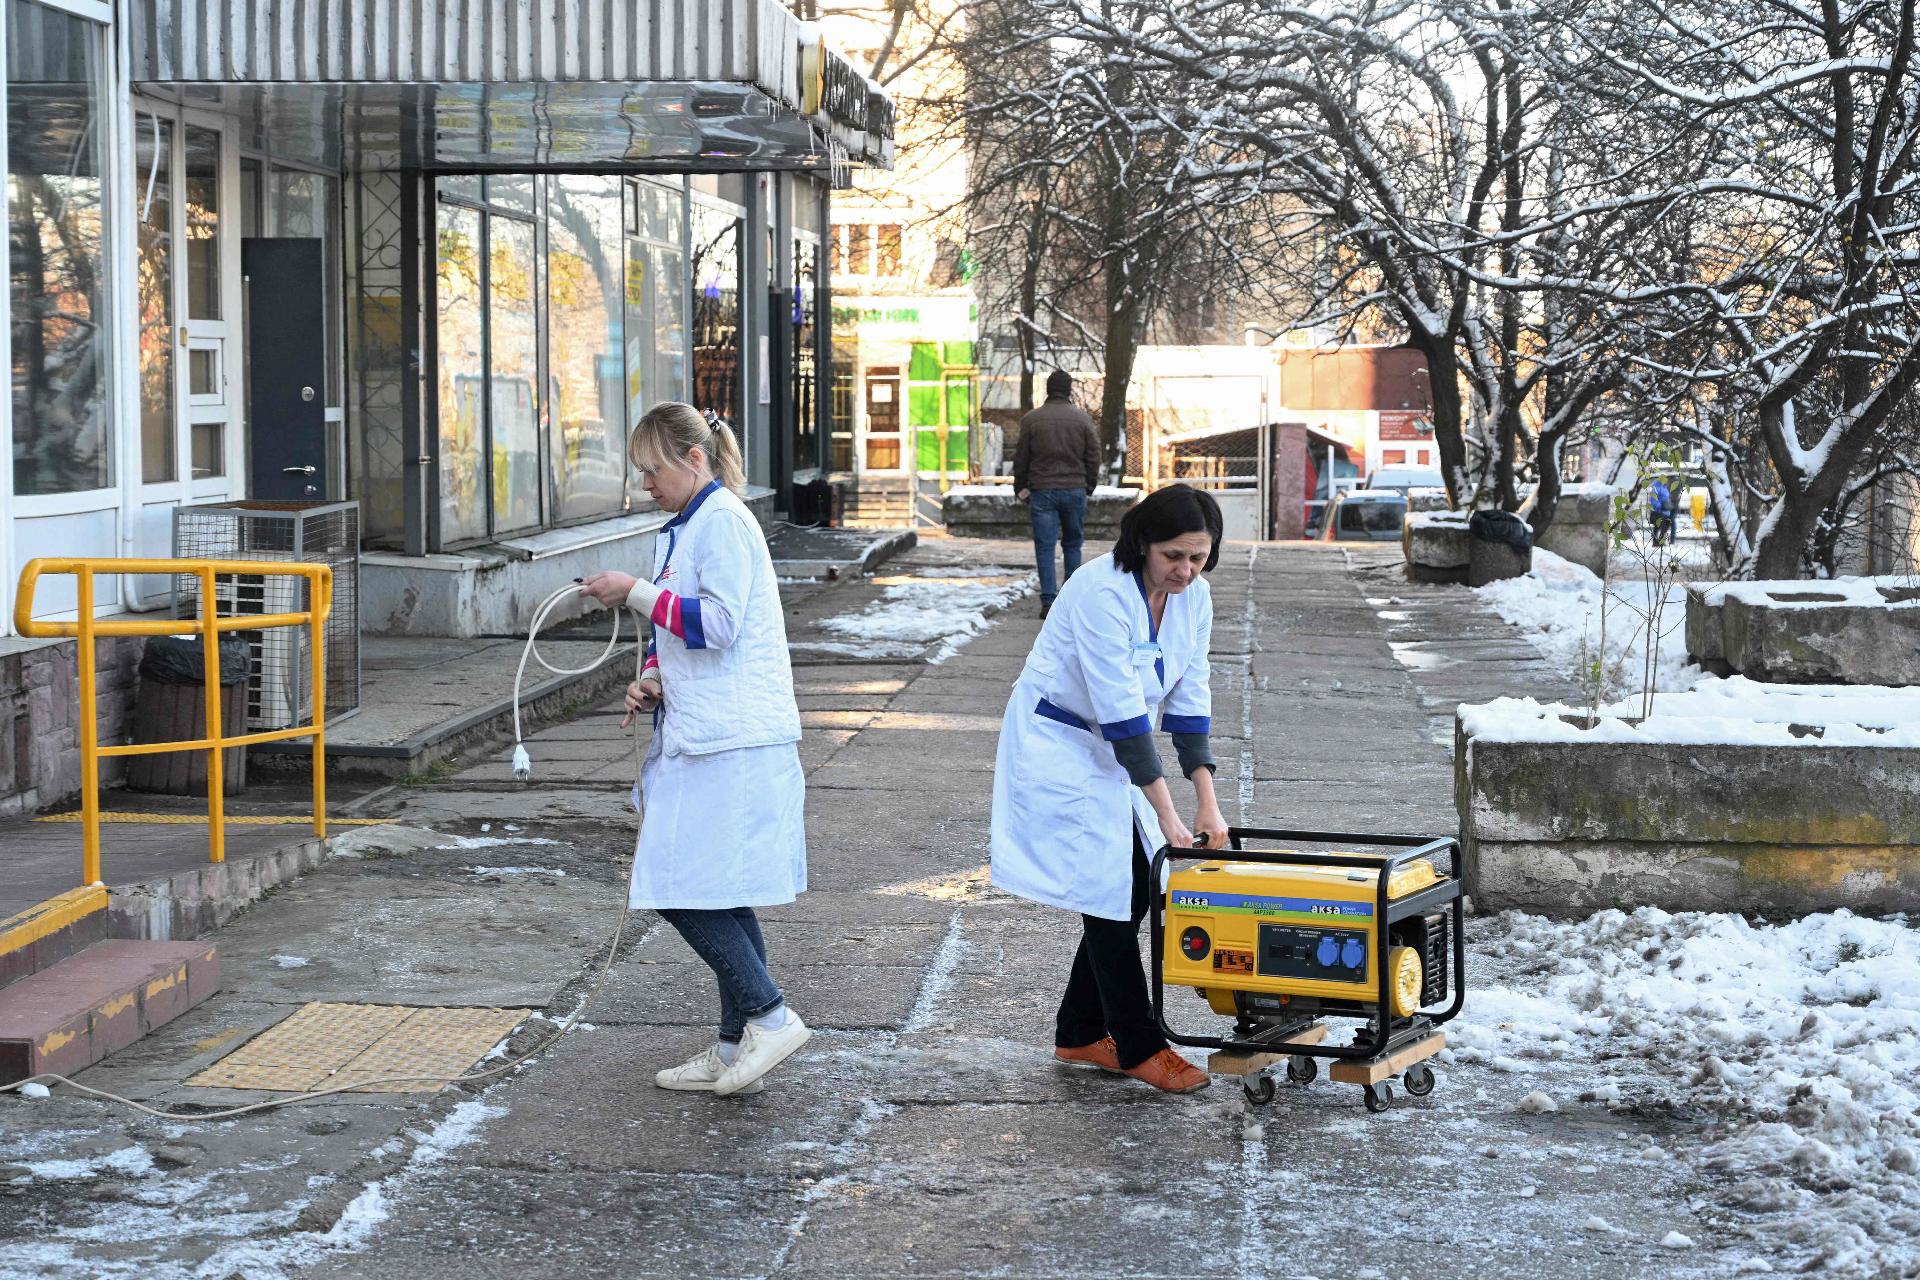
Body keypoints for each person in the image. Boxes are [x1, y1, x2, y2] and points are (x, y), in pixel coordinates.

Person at [580, 403, 810, 1098]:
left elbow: (718, 624)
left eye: (653, 470)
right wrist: (654, 676)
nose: (645, 484)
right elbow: (687, 635)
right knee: (722, 891)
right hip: (708, 733)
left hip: (733, 741)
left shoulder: (724, 525)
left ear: (695, 460)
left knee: (677, 886)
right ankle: (736, 1042)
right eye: (641, 473)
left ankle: (770, 1016)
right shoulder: (685, 528)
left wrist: (636, 594)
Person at [988, 484, 1229, 1094]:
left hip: (1115, 744)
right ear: (1143, 542)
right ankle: (1138, 1043)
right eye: (1174, 555)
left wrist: (1207, 801)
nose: (1185, 570)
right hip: (1061, 737)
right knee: (1112, 887)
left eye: (1198, 557)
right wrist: (1170, 818)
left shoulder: (1195, 598)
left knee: (1132, 885)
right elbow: (1122, 712)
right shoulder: (1099, 592)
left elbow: (1190, 696)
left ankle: (1078, 1029)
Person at [1014, 370, 1103, 618]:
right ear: (1068, 390)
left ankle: (1048, 601)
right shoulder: (1082, 419)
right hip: (1074, 489)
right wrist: (1089, 484)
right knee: (1073, 544)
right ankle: (1070, 601)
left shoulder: (1032, 420)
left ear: (1048, 389)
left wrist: (1019, 486)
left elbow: (1022, 457)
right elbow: (1094, 455)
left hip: (1042, 490)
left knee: (1045, 547)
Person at [1649, 477, 1676, 547]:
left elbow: (1666, 499)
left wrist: (1668, 507)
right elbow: (1653, 500)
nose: (1666, 480)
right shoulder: (1656, 488)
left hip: (1666, 511)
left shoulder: (1664, 488)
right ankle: (1655, 542)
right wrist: (1660, 506)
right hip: (1658, 511)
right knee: (1657, 527)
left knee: (1665, 527)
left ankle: (1661, 541)